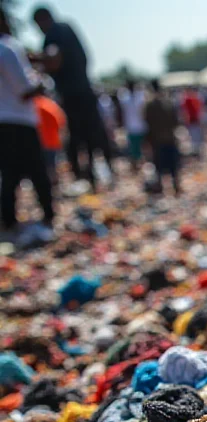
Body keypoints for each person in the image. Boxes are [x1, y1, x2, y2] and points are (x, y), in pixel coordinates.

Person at [32, 5, 113, 188]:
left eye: (38, 24)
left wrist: (32, 60)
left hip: (76, 95)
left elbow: (53, 59)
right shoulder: (66, 30)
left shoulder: (57, 31)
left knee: (82, 138)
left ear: (44, 19)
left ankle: (90, 176)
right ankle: (94, 176)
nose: (39, 29)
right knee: (90, 137)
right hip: (81, 92)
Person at [0, 8, 54, 243]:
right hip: (19, 121)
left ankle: (9, 222)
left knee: (8, 175)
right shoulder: (8, 48)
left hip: (3, 122)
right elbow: (24, 91)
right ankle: (48, 216)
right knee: (36, 172)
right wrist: (42, 82)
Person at [144, 79, 180, 195]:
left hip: (157, 140)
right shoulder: (168, 103)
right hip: (169, 138)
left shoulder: (149, 105)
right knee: (172, 164)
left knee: (159, 164)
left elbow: (147, 123)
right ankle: (175, 186)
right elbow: (175, 121)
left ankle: (161, 187)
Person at [34, 94, 66, 184]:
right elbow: (61, 122)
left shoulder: (35, 105)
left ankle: (50, 184)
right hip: (53, 141)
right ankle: (54, 184)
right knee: (52, 165)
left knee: (46, 166)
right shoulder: (51, 105)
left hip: (42, 142)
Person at [118, 79, 146, 171]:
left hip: (138, 126)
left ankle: (139, 164)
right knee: (135, 148)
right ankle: (138, 165)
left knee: (139, 147)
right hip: (134, 127)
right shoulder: (127, 98)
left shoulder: (131, 98)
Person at [181, 88, 203, 156]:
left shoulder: (188, 99)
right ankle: (197, 150)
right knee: (196, 135)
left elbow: (186, 112)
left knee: (194, 135)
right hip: (195, 120)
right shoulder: (195, 98)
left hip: (193, 120)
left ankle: (196, 150)